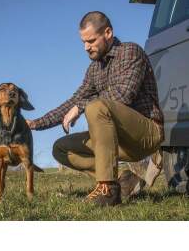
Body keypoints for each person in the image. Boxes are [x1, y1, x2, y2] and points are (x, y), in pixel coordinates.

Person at [26, 11, 164, 207]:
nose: (85, 47)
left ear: (107, 33)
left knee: (96, 107)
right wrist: (35, 123)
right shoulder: (94, 69)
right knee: (61, 148)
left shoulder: (130, 52)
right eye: (83, 42)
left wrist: (81, 106)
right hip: (117, 140)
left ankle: (107, 189)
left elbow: (123, 95)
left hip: (145, 134)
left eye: (91, 41)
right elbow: (73, 101)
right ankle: (124, 181)